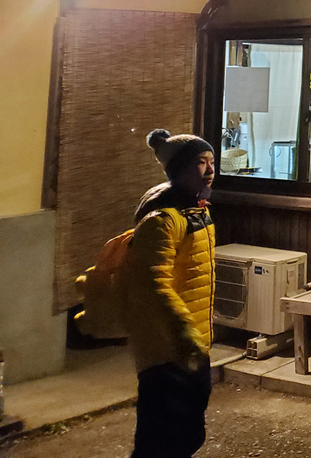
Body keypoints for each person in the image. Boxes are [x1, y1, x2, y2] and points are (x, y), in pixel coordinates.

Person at [125, 129, 217, 458]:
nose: (210, 170)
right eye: (200, 162)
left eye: (211, 161)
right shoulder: (163, 219)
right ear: (178, 169)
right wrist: (182, 329)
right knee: (162, 438)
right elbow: (153, 282)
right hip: (167, 349)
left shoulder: (198, 212)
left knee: (188, 432)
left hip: (194, 343)